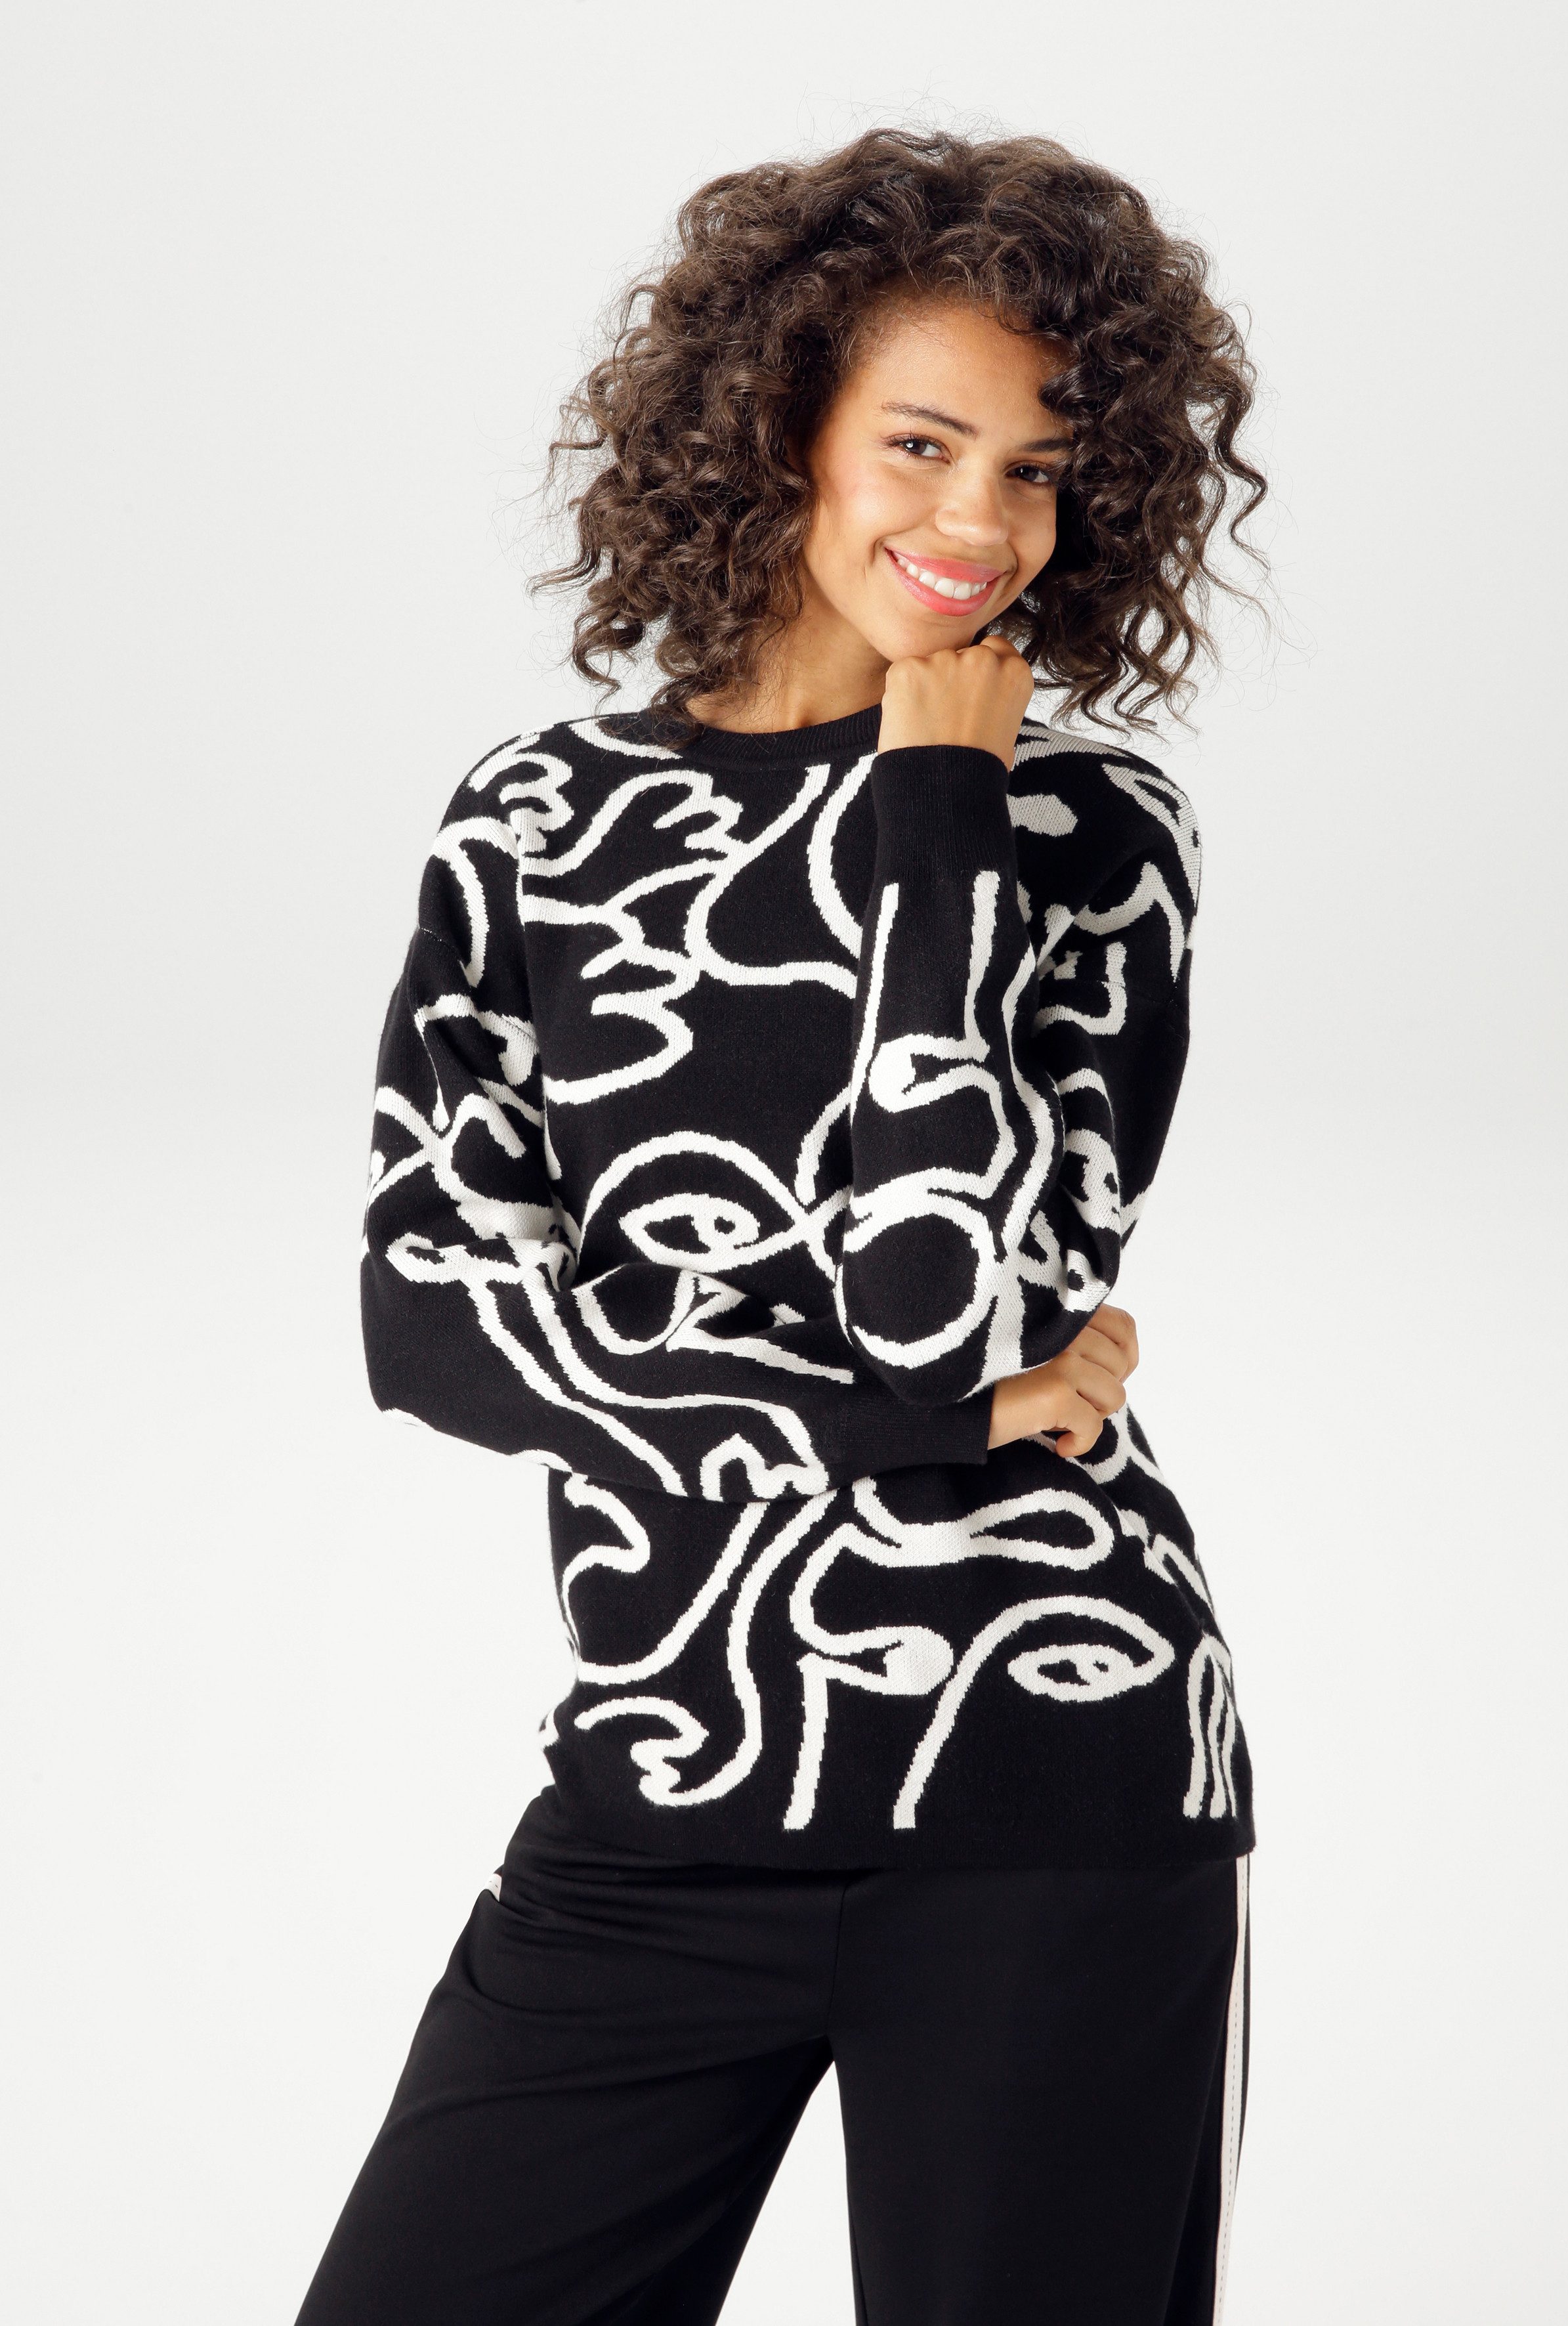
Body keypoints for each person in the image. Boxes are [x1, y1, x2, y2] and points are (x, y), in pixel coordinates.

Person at [297, 127, 1265, 2326]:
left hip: (1051, 1779)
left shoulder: (1092, 833)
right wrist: (899, 1429)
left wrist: (940, 812)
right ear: (778, 424)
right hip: (665, 1785)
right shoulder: (539, 824)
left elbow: (955, 1300)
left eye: (1037, 472)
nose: (977, 522)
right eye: (922, 442)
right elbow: (433, 1331)